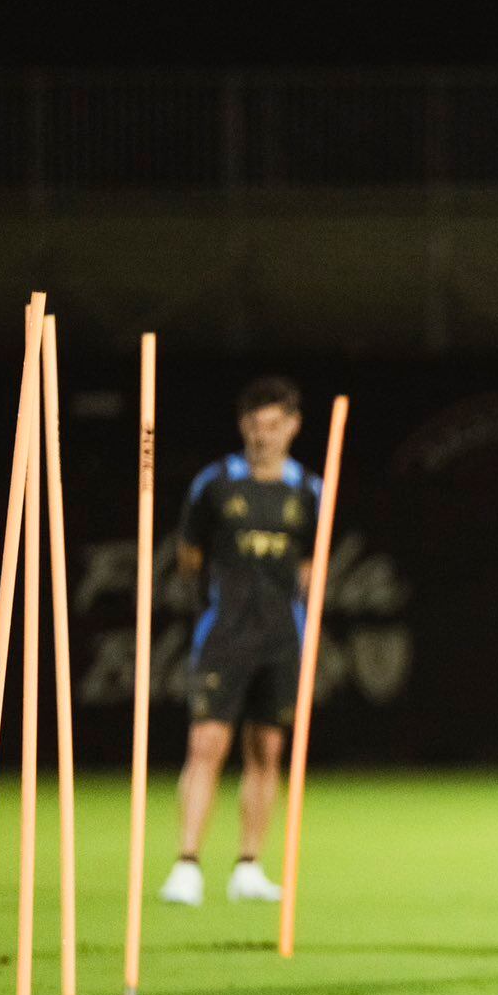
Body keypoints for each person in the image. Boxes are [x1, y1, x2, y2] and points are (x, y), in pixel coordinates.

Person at [158, 377, 320, 907]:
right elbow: (189, 557)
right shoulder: (216, 484)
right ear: (241, 426)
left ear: (293, 426)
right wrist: (213, 600)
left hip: (280, 639)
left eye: (274, 425)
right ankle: (187, 864)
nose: (263, 436)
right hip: (224, 635)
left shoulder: (307, 490)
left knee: (266, 750)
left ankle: (249, 865)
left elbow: (310, 563)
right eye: (254, 425)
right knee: (205, 745)